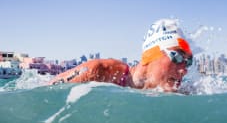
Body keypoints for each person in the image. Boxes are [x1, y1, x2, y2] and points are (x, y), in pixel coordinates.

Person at [49, 18, 193, 92]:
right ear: (149, 55)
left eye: (188, 61)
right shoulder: (98, 71)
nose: (184, 69)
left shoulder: (177, 90)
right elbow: (47, 91)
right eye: (177, 57)